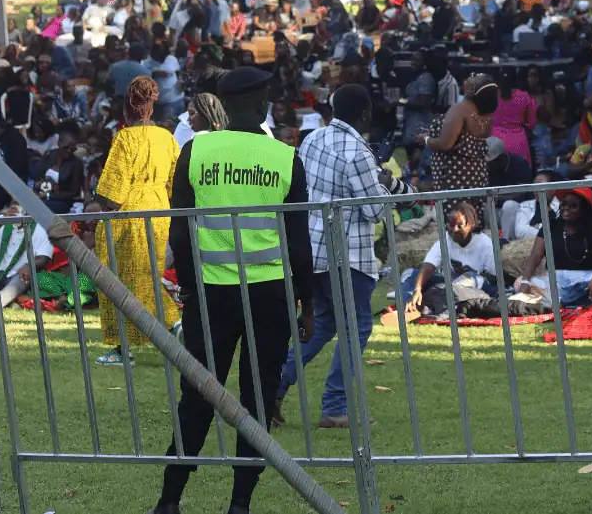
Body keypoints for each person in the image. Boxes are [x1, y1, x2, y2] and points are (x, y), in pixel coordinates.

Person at [151, 66, 315, 514]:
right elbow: (298, 242)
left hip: (210, 294)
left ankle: (170, 499)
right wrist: (307, 302)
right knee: (257, 398)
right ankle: (240, 503)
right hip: (270, 295)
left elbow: (180, 231)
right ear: (264, 105)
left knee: (198, 395)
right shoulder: (285, 157)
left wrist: (187, 289)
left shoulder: (195, 151)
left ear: (221, 105)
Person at [275, 84, 406, 428]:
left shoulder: (312, 139)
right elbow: (376, 210)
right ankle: (335, 407)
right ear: (365, 114)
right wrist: (390, 186)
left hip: (312, 252)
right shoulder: (358, 152)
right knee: (357, 328)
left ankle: (273, 388)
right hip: (346, 256)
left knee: (322, 324)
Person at [90, 75, 179, 365]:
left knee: (116, 280)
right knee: (146, 277)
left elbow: (113, 195)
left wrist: (99, 203)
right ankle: (170, 328)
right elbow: (174, 183)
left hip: (128, 216)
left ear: (127, 106)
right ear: (152, 106)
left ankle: (126, 346)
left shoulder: (125, 138)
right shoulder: (167, 137)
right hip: (159, 213)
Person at [399, 200, 495, 317]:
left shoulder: (485, 243)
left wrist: (469, 273)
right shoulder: (445, 239)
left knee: (469, 276)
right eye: (451, 224)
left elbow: (493, 278)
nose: (454, 230)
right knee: (409, 274)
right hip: (447, 286)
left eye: (460, 226)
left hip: (474, 289)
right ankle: (410, 306)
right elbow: (428, 266)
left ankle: (433, 304)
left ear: (471, 225)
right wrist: (417, 290)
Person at [514, 188, 592, 308]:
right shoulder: (551, 226)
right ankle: (565, 304)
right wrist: (526, 281)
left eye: (573, 206)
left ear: (584, 210)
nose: (566, 209)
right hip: (555, 279)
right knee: (519, 283)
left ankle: (554, 305)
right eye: (564, 204)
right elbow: (535, 256)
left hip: (585, 278)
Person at [424, 76, 498, 191]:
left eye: (474, 76)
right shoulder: (486, 115)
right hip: (477, 174)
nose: (469, 77)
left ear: (472, 88)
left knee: (455, 208)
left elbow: (446, 144)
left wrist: (426, 139)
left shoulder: (460, 109)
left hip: (454, 175)